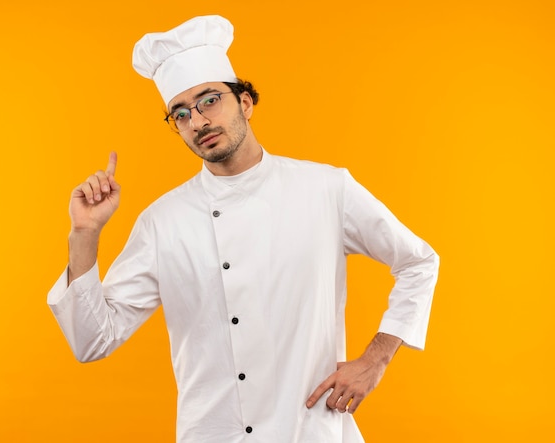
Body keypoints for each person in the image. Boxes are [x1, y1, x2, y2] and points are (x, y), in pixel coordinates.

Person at [47, 15, 439, 443]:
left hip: (310, 432)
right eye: (180, 114)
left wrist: (376, 358)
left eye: (209, 100)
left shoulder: (326, 189)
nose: (197, 122)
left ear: (246, 102)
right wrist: (84, 235)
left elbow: (418, 261)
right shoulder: (163, 222)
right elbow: (91, 341)